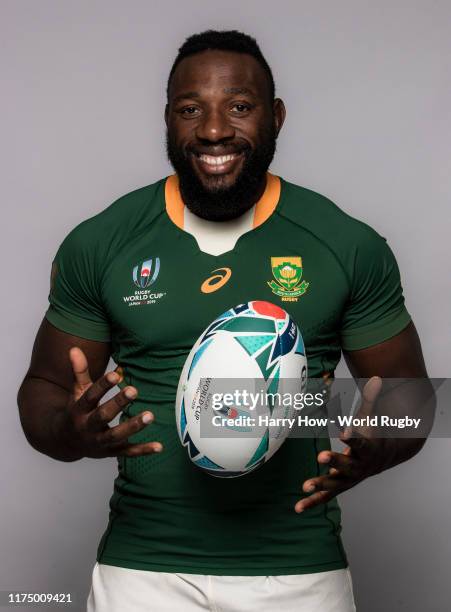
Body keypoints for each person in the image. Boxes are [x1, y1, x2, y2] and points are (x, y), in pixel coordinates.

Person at [18, 30, 432, 612]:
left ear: (277, 117)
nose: (213, 131)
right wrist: (73, 429)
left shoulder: (345, 244)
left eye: (239, 107)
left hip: (297, 573)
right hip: (141, 571)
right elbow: (42, 391)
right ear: (168, 119)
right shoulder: (104, 242)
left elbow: (413, 399)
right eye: (192, 110)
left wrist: (376, 442)